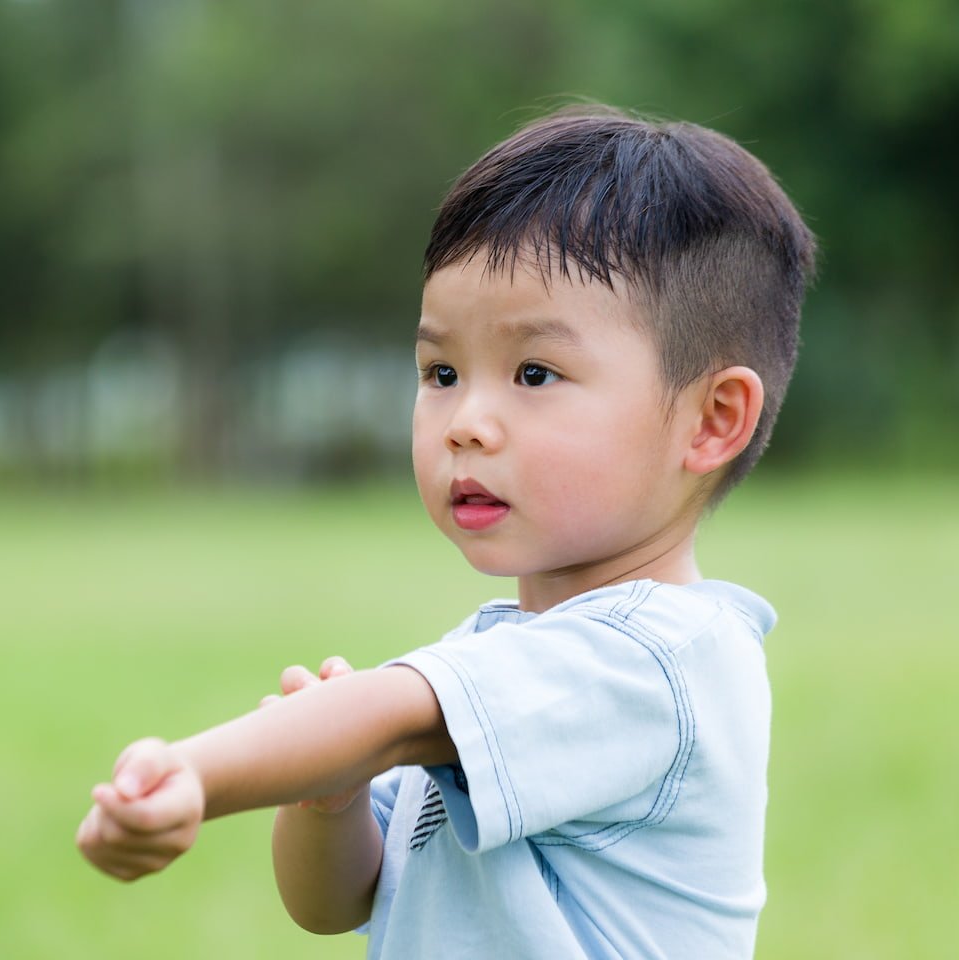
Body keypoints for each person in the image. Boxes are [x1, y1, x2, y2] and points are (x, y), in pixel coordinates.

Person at [75, 105, 816, 959]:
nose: (466, 423)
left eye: (534, 373)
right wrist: (330, 799)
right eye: (441, 372)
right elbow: (339, 900)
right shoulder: (497, 652)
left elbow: (388, 719)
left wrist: (195, 773)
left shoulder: (659, 661)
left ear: (712, 420)